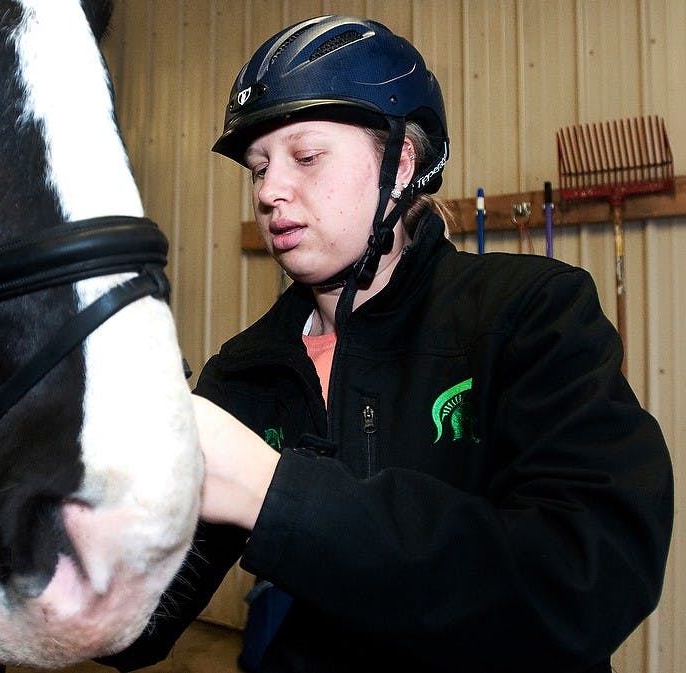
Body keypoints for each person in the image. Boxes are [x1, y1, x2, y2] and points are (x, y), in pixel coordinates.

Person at [100, 15, 674, 673]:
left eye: (306, 157)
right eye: (259, 167)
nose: (269, 191)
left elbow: (588, 579)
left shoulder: (530, 313)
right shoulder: (246, 371)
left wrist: (275, 491)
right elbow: (140, 622)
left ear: (401, 166)